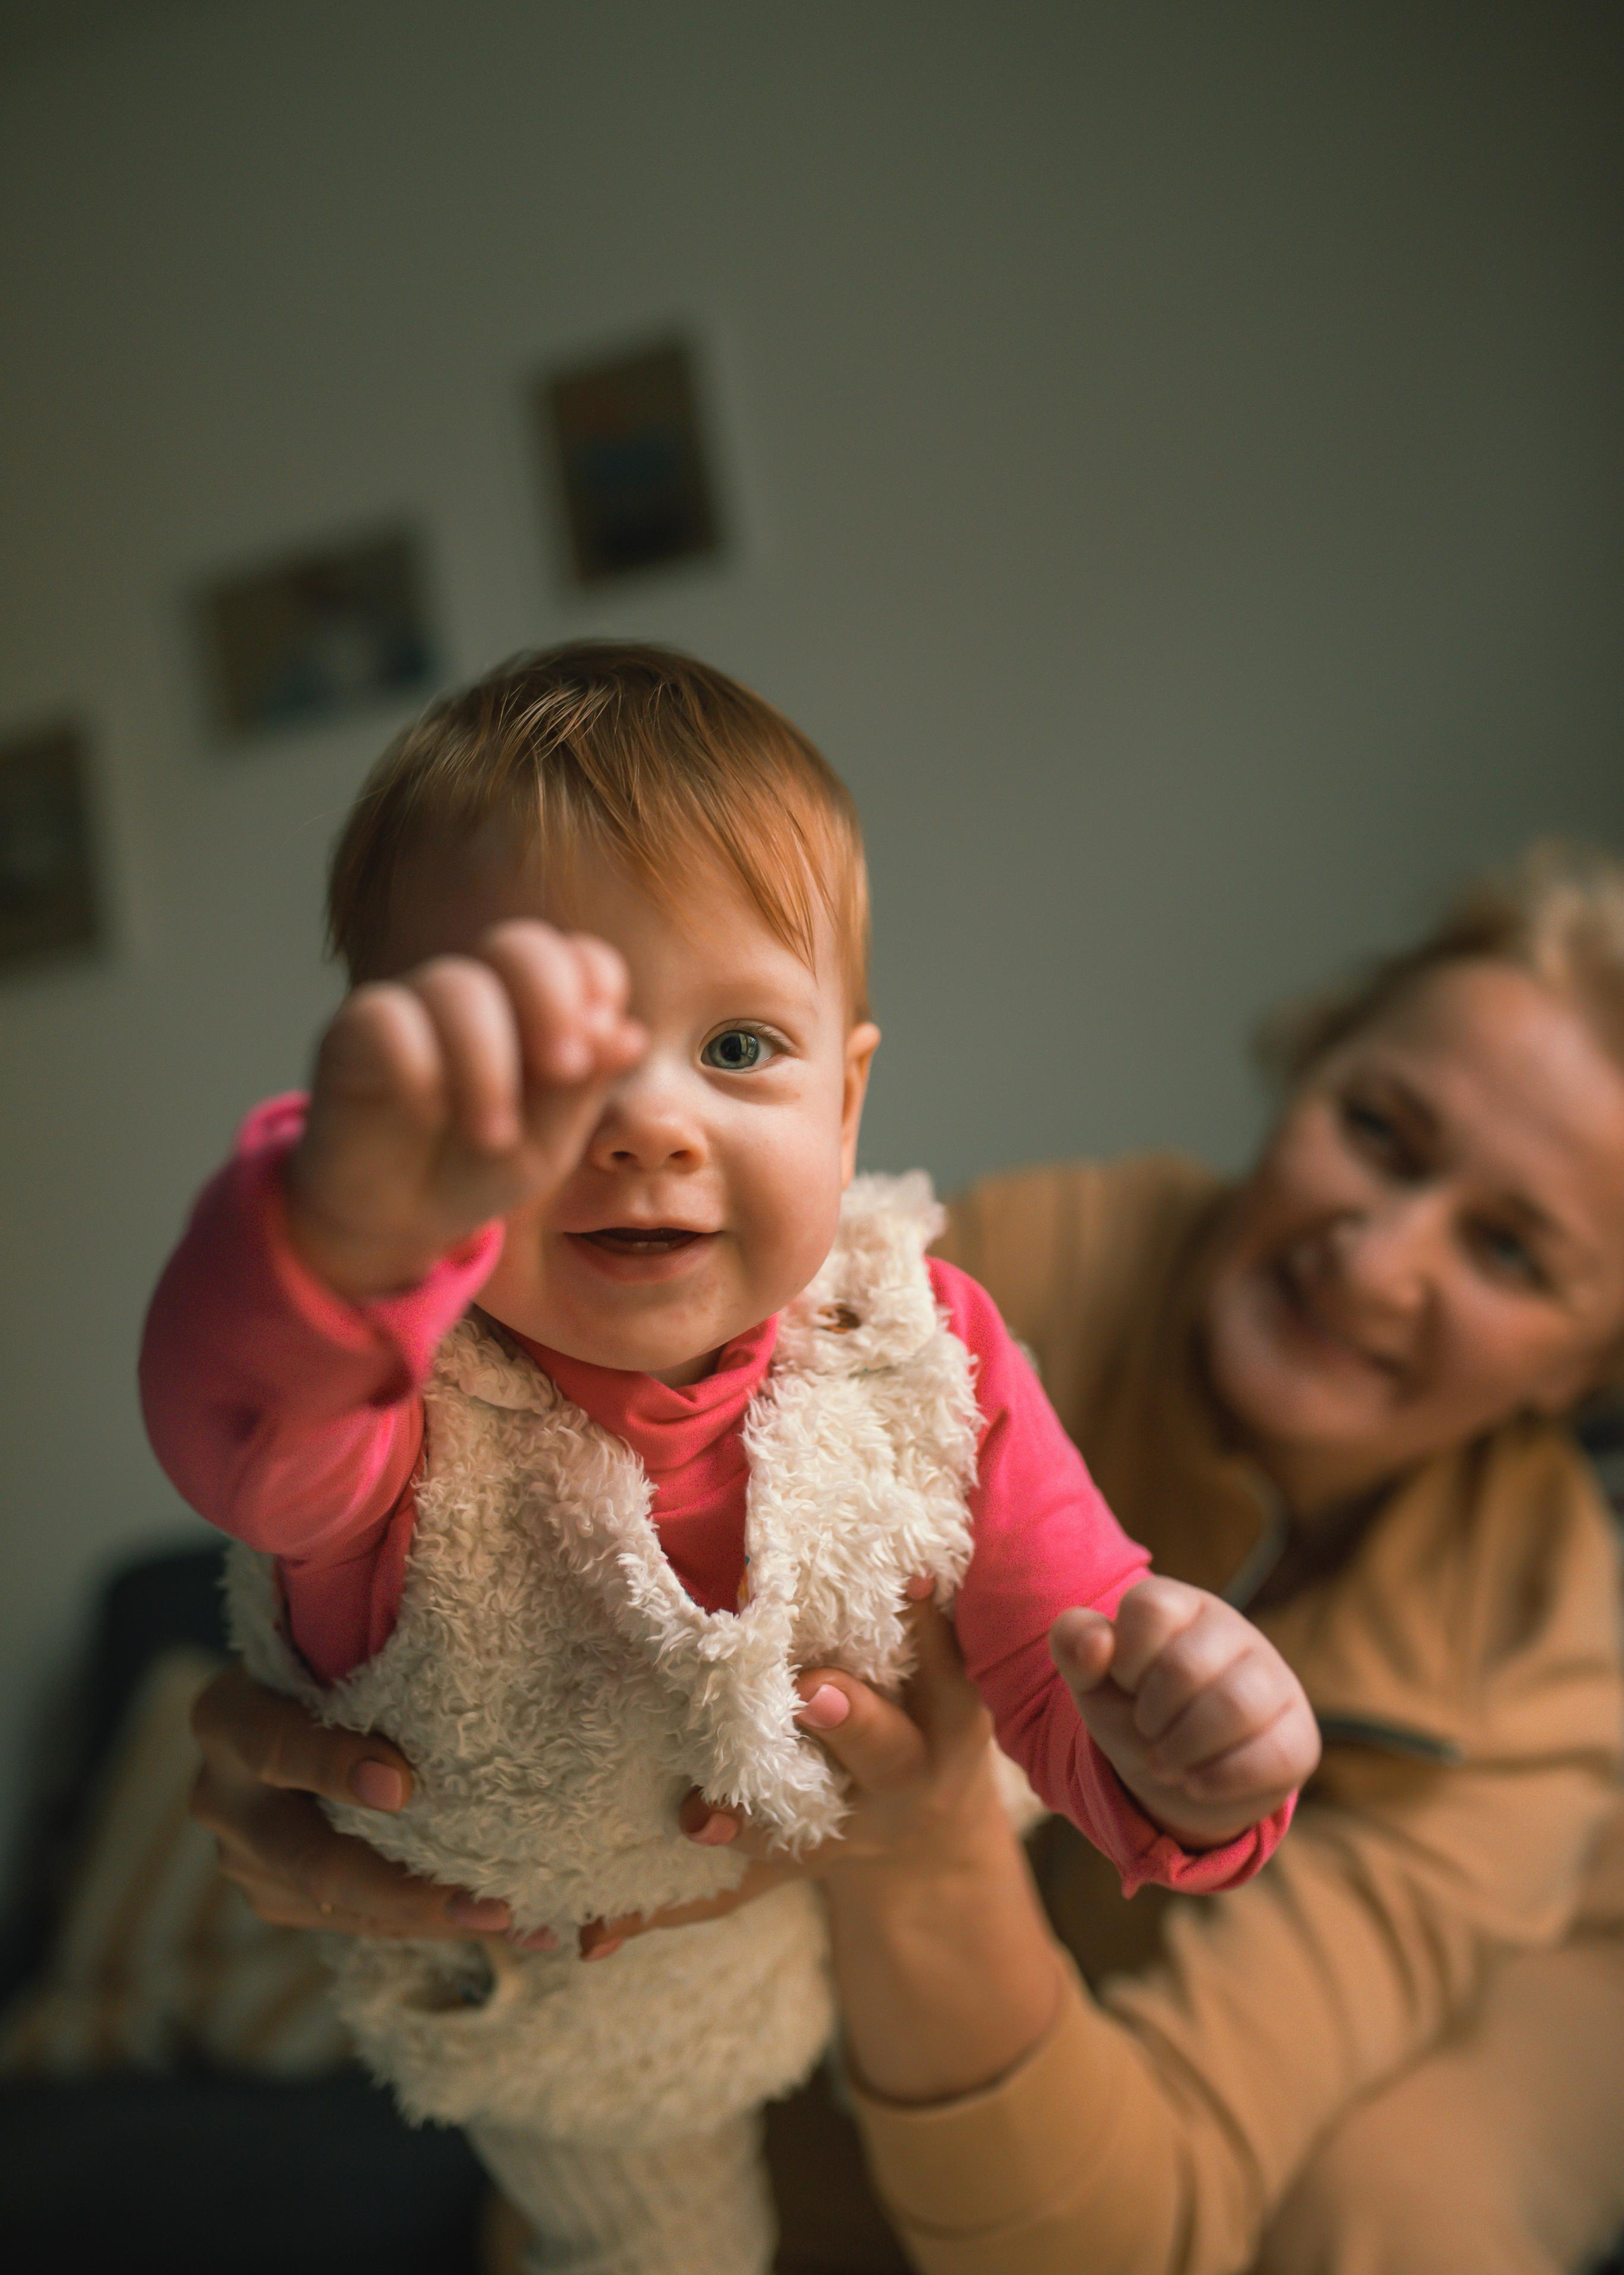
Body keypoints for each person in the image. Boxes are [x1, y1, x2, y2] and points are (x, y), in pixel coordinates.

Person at [188, 840, 1624, 2274]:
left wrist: (930, 1841)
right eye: (1377, 1130)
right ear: (1306, 1070)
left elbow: (1132, 2233)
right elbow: (455, 1512)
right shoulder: (958, 1288)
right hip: (678, 2115)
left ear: (1591, 1361)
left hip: (1064, 2194)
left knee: (1399, 2218)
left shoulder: (1528, 1686)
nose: (1374, 1263)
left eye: (1510, 1253)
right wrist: (343, 1741)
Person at [141, 643, 1314, 2275]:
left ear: (846, 1105)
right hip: (581, 2018)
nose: (646, 1122)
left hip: (862, 1913)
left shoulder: (926, 1339)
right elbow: (245, 1417)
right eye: (549, 1069)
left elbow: (1068, 1661)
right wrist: (326, 1238)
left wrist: (1185, 1744)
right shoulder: (395, 1413)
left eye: (739, 1048)